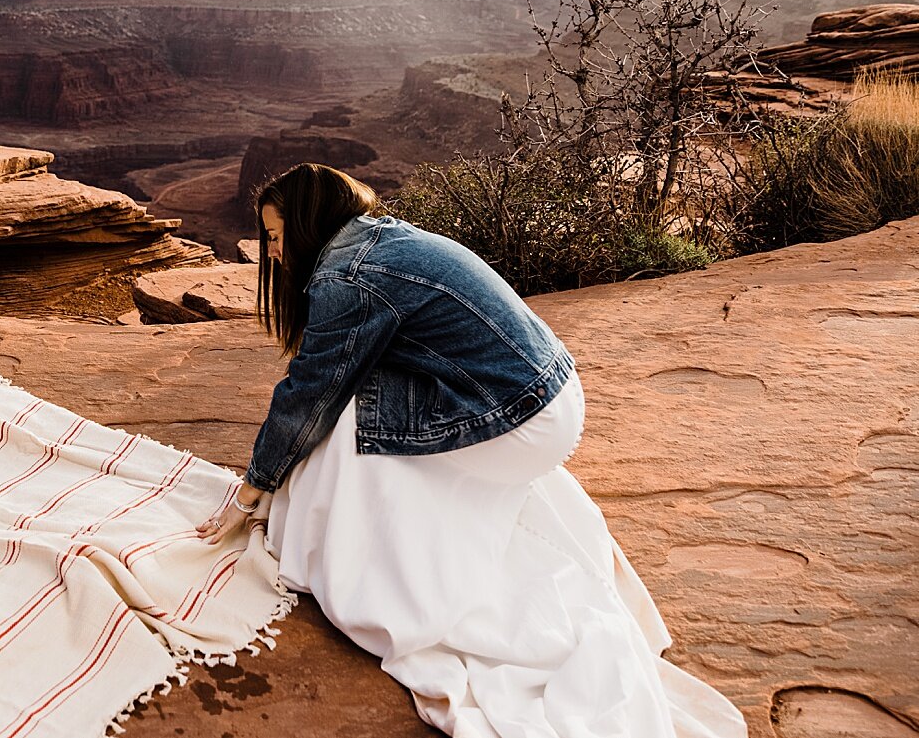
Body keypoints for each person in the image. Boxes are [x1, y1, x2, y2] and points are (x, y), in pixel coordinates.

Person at [197, 163, 745, 738]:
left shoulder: (349, 275)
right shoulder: (383, 238)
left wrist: (251, 492)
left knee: (355, 415)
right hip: (551, 399)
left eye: (277, 236)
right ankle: (388, 539)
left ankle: (376, 574)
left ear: (308, 224)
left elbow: (309, 393)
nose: (274, 253)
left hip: (523, 421)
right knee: (368, 406)